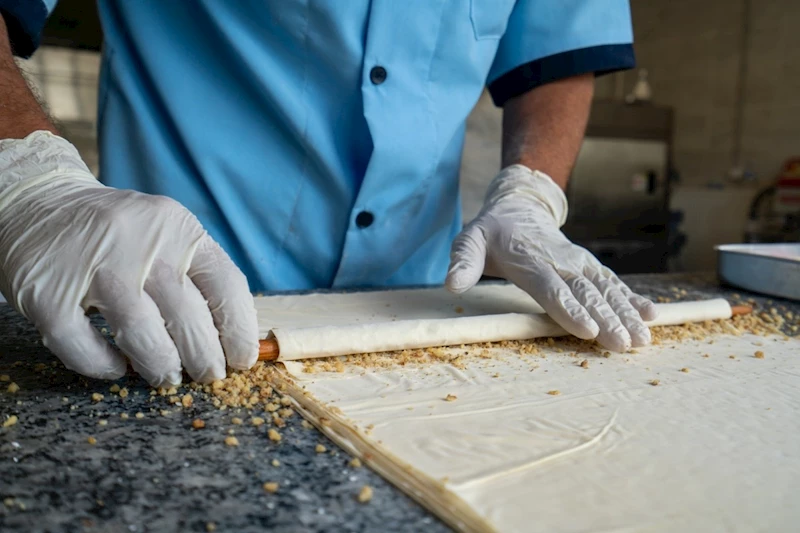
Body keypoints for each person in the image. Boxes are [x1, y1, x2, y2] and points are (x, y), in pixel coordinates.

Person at [0, 1, 656, 388]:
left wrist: (531, 190)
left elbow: (557, 48)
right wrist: (29, 177)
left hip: (419, 305)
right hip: (164, 297)